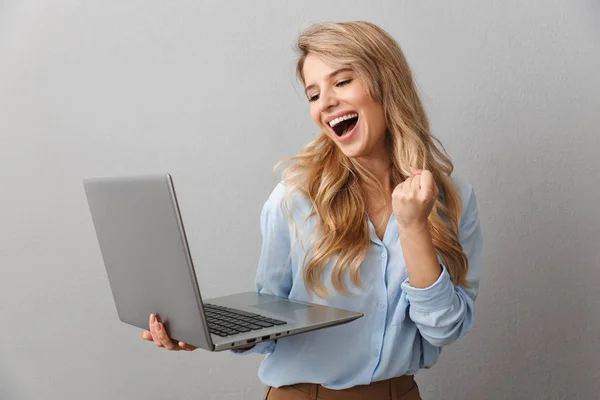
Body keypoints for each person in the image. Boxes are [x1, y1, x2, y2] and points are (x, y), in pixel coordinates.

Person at [141, 21, 483, 400]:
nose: (326, 103)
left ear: (386, 84)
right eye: (313, 94)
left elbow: (444, 330)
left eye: (341, 82)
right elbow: (271, 317)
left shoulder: (454, 201)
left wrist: (415, 227)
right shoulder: (294, 198)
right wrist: (206, 333)